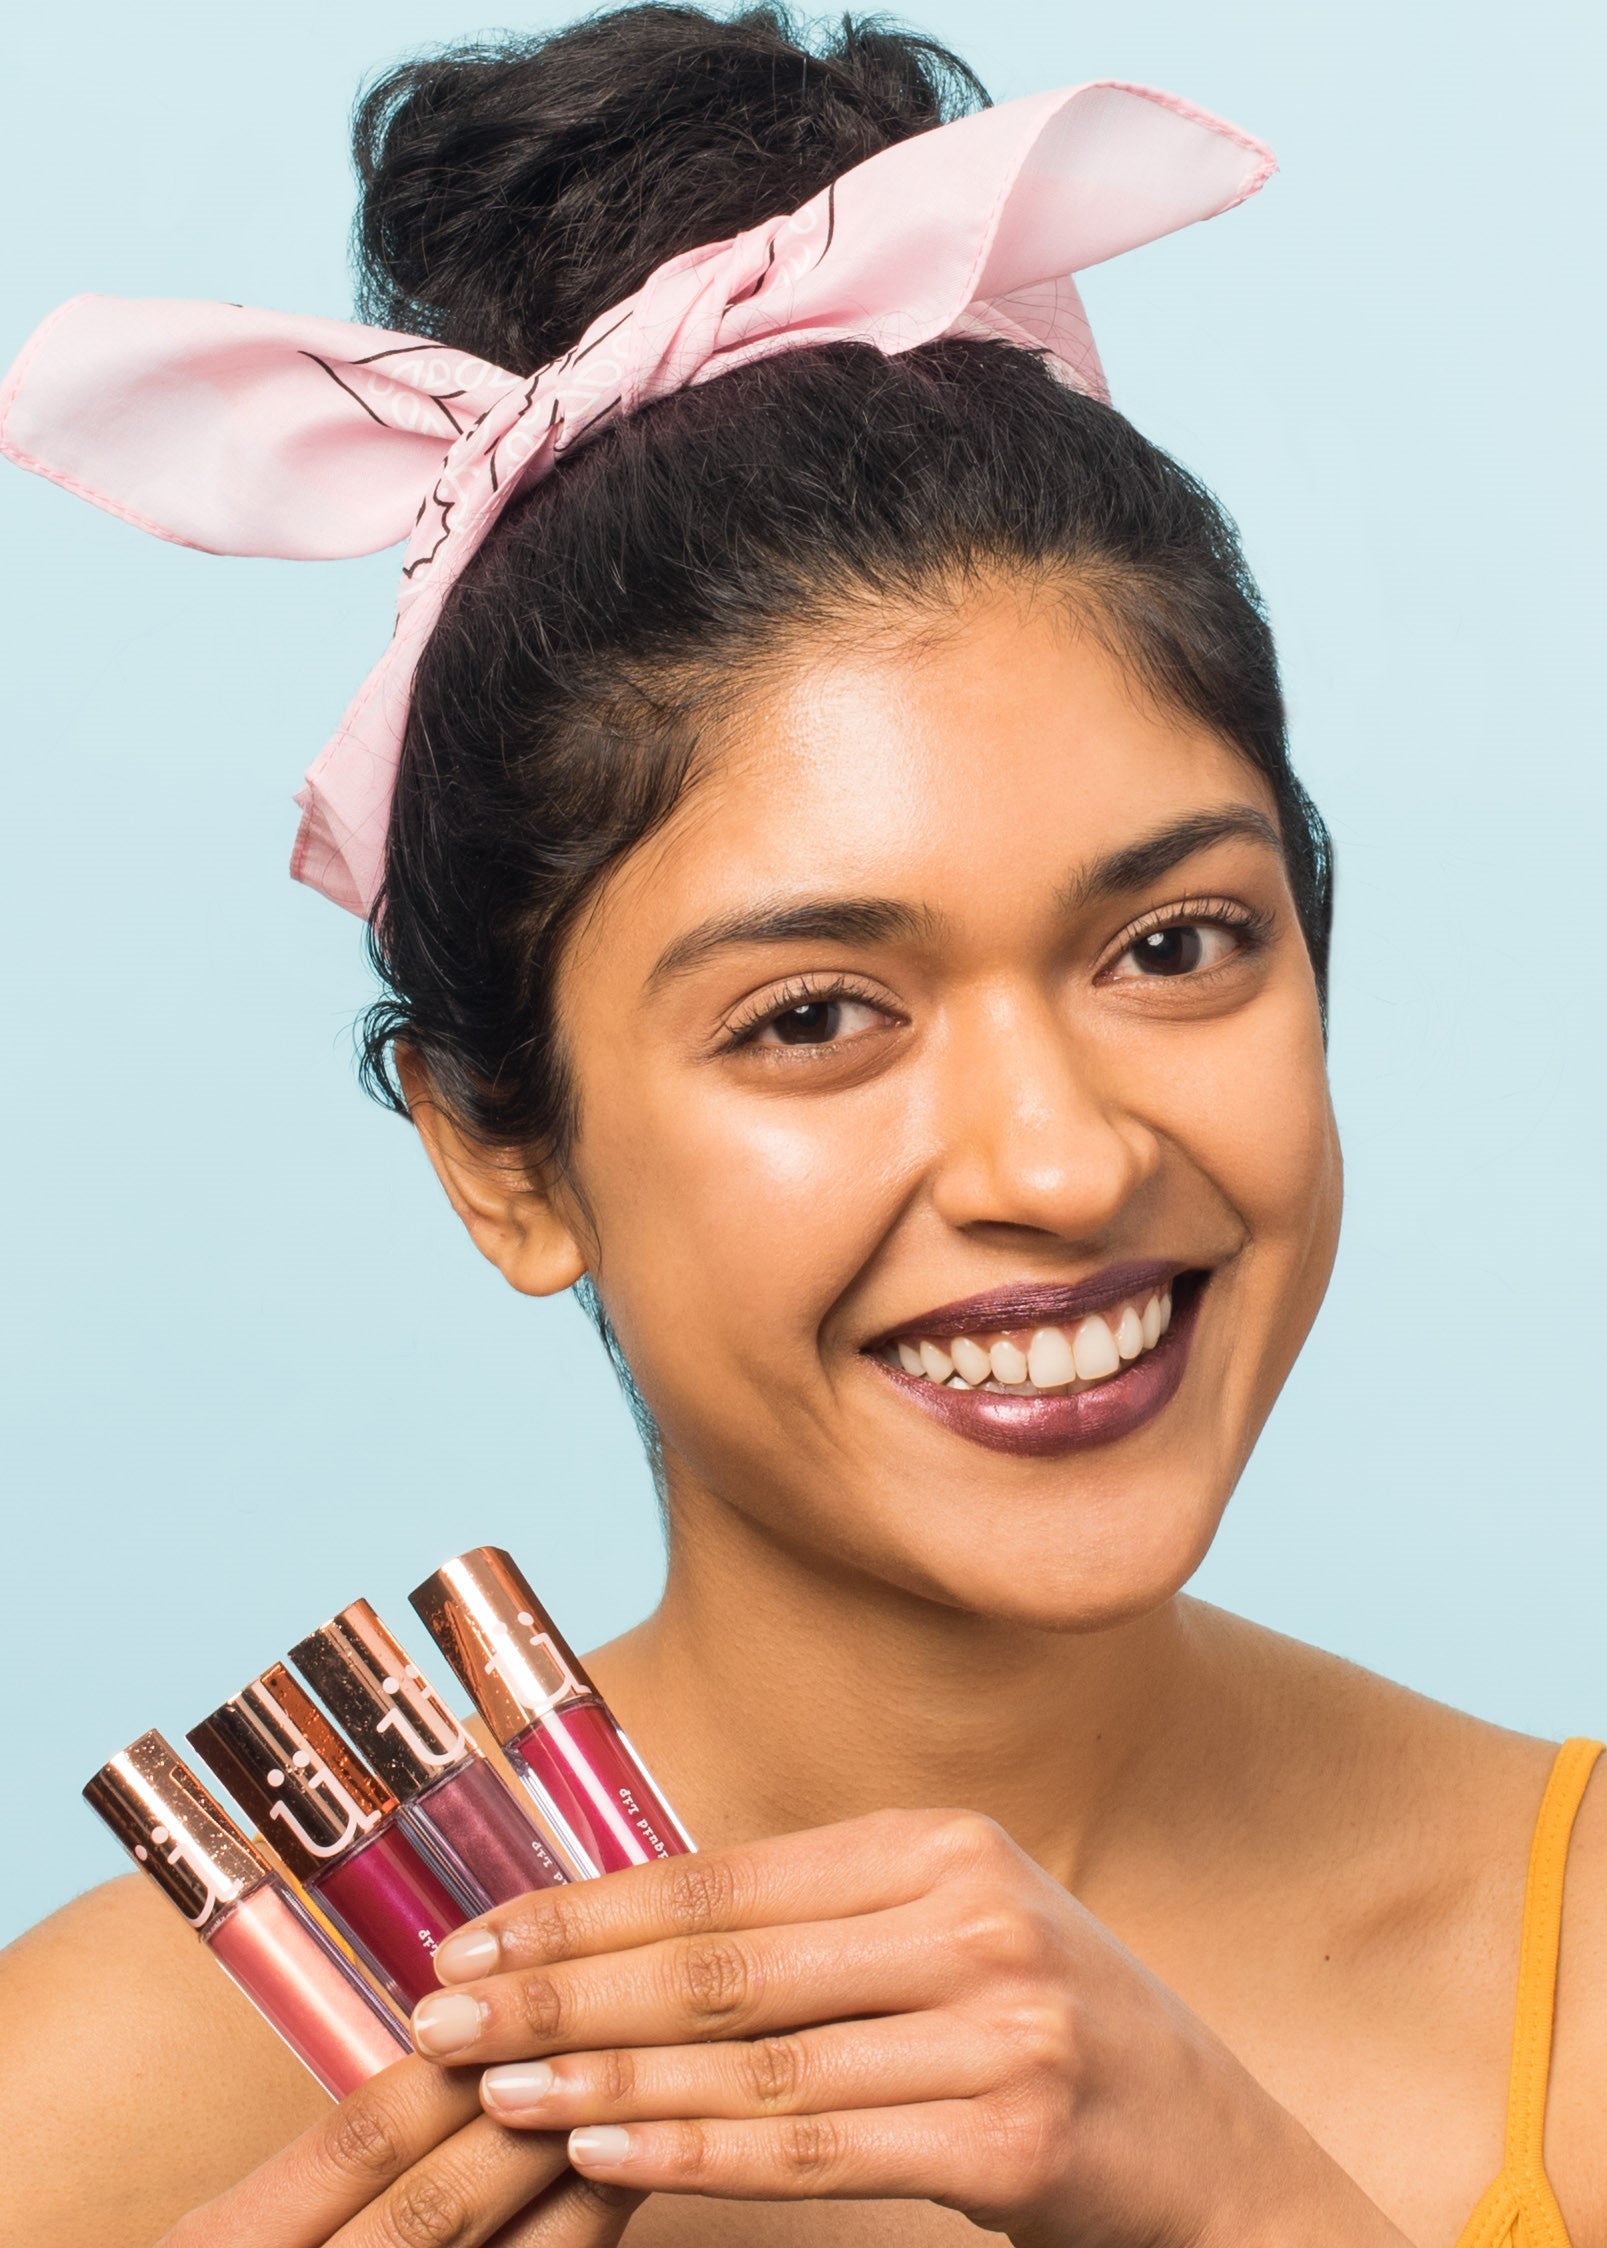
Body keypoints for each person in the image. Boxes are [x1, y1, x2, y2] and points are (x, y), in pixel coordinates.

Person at [3, 8, 1602, 2245]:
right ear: (504, 1154)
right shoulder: (113, 2111)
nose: (1056, 1162)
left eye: (1174, 945)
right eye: (815, 1013)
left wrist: (1248, 2204)